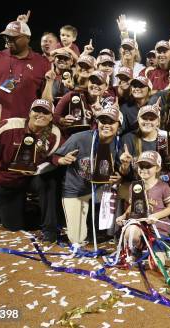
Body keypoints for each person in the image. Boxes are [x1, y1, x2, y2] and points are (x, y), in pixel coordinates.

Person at [0, 100, 62, 236]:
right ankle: (6, 210)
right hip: (7, 180)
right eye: (37, 110)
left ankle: (50, 229)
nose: (40, 115)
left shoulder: (54, 133)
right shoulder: (10, 125)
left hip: (31, 178)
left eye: (45, 112)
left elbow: (51, 160)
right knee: (15, 226)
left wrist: (36, 170)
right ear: (29, 113)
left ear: (51, 117)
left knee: (49, 181)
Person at [53, 106, 123, 250]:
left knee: (125, 189)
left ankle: (113, 231)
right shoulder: (79, 138)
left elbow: (119, 171)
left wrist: (120, 174)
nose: (107, 125)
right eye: (103, 121)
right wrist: (61, 160)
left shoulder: (118, 143)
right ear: (97, 123)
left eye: (111, 122)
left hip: (101, 189)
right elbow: (55, 156)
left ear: (119, 125)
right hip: (76, 190)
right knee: (77, 238)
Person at [116, 150, 170, 264]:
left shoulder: (163, 186)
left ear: (157, 168)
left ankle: (156, 249)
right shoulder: (134, 186)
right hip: (140, 225)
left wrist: (155, 216)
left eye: (148, 166)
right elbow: (132, 206)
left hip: (158, 228)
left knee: (159, 263)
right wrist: (123, 216)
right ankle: (137, 248)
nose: (143, 169)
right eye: (141, 166)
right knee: (130, 231)